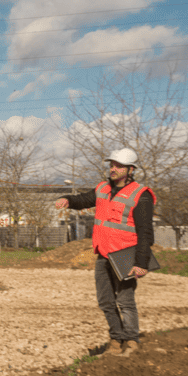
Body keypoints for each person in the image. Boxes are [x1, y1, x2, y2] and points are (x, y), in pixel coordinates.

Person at [55, 148, 155, 356]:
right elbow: (83, 200)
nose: (113, 169)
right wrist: (68, 199)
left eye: (118, 166)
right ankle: (116, 340)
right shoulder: (102, 189)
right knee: (105, 301)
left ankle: (132, 341)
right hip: (103, 253)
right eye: (112, 165)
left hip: (126, 253)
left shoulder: (140, 194)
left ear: (130, 169)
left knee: (125, 301)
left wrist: (142, 263)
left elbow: (146, 232)